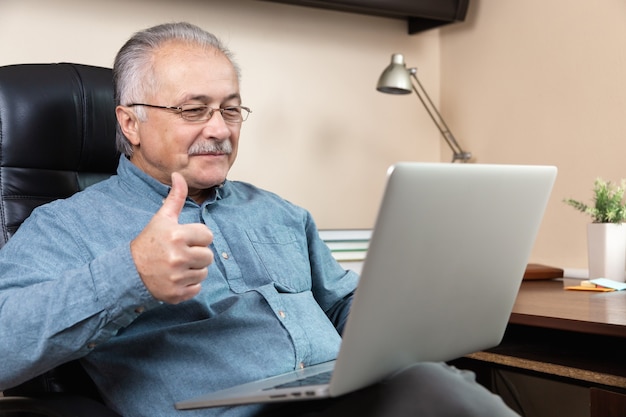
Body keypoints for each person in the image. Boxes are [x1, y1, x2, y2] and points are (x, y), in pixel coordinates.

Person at [0, 22, 519, 417]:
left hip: (348, 395)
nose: (219, 129)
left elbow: (341, 303)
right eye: (193, 109)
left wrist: (396, 315)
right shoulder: (65, 224)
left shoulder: (279, 212)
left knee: (438, 382)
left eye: (230, 109)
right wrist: (132, 274)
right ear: (129, 122)